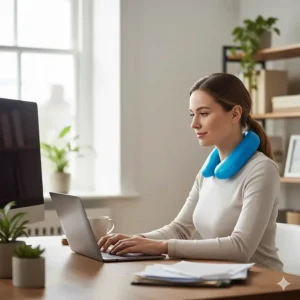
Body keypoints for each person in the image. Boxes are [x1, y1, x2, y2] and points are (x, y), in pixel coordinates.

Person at [98, 72, 284, 271]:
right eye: (192, 114)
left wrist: (162, 247)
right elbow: (179, 229)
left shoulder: (262, 170)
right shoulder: (210, 170)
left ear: (235, 113)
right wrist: (135, 240)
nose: (194, 124)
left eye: (203, 113)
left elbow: (240, 248)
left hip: (264, 285)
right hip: (222, 277)